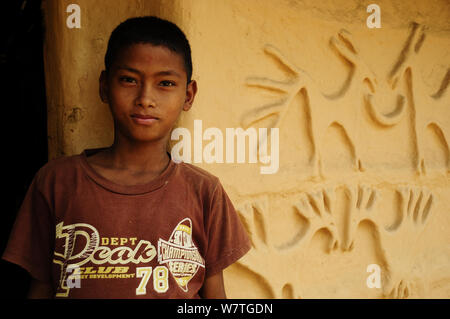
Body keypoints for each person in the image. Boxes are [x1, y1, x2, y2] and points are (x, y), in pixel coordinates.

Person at [2, 16, 251, 299]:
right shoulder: (57, 182)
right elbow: (41, 287)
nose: (145, 98)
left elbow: (214, 296)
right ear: (105, 85)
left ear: (188, 95)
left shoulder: (204, 192)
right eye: (129, 80)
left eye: (165, 83)